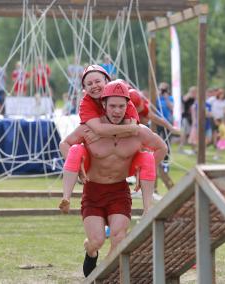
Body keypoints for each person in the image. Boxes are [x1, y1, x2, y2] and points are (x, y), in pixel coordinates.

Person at [59, 80, 167, 277]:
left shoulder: (138, 131)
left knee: (118, 237)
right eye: (112, 106)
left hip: (119, 191)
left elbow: (162, 148)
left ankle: (106, 275)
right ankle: (90, 250)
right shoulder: (89, 129)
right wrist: (79, 167)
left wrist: (142, 172)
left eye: (121, 106)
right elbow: (65, 144)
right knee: (97, 241)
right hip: (93, 192)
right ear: (104, 105)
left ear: (128, 106)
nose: (117, 111)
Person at [60, 66, 156, 209]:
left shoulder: (125, 99)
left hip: (120, 170)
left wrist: (142, 172)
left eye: (97, 81)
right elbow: (125, 128)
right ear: (84, 89)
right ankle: (66, 197)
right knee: (75, 150)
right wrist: (77, 167)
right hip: (95, 170)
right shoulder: (86, 103)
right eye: (89, 84)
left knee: (147, 158)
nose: (94, 86)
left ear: (107, 81)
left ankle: (148, 207)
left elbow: (134, 128)